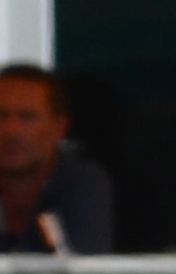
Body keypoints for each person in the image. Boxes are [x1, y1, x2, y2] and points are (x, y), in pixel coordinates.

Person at [0, 63, 110, 255]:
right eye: (1, 116)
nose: (12, 131)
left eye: (27, 117)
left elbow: (78, 273)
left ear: (59, 127)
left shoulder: (79, 183)